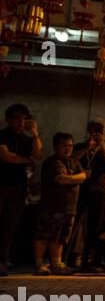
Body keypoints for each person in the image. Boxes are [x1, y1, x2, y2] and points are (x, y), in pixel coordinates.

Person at [33, 132, 85, 275]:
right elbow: (61, 179)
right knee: (44, 235)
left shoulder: (73, 161)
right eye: (63, 146)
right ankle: (39, 265)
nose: (68, 149)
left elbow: (84, 175)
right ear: (55, 147)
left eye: (70, 146)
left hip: (69, 207)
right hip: (52, 206)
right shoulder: (51, 162)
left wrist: (73, 178)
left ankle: (56, 264)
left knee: (61, 236)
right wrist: (75, 178)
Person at [0, 103, 42, 276]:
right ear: (8, 119)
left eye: (24, 118)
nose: (21, 121)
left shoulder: (27, 139)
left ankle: (4, 259)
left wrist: (35, 135)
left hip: (19, 187)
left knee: (11, 224)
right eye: (17, 118)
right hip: (1, 184)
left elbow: (38, 155)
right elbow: (5, 156)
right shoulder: (2, 136)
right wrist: (27, 161)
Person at [70, 119, 105, 272]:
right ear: (89, 129)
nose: (99, 131)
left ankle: (90, 260)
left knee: (95, 227)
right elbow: (71, 160)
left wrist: (102, 145)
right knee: (73, 223)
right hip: (79, 188)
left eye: (102, 128)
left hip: (99, 191)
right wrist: (88, 148)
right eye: (96, 128)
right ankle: (67, 258)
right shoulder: (79, 146)